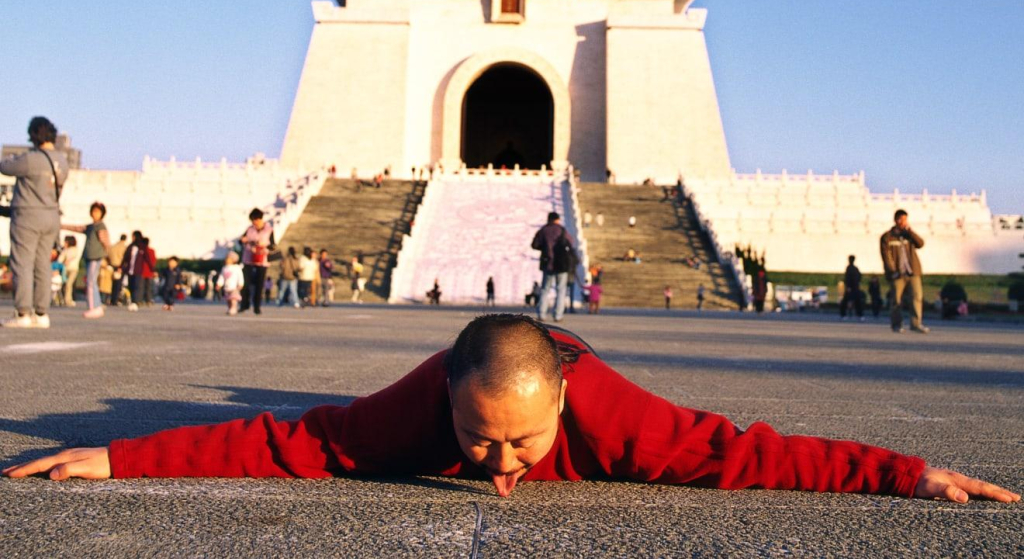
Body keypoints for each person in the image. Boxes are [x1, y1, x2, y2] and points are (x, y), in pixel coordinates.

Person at [5, 315, 1017, 510]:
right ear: (442, 396)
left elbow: (749, 453)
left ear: (564, 401)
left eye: (522, 441)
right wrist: (119, 457)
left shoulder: (618, 420)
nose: (498, 464)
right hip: (475, 355)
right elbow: (283, 439)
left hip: (550, 360)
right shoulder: (409, 412)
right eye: (477, 436)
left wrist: (906, 471)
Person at [0, 117, 70, 330]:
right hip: (51, 216)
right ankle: (42, 313)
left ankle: (23, 312)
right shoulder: (63, 161)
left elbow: (5, 167)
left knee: (22, 263)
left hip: (28, 216)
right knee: (42, 265)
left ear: (33, 135)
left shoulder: (31, 159)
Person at [880, 209, 928, 334]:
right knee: (896, 300)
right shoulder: (887, 237)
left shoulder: (908, 235)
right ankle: (896, 324)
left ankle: (916, 324)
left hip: (912, 272)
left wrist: (911, 232)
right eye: (901, 219)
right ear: (896, 220)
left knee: (917, 297)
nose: (903, 222)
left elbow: (920, 244)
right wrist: (892, 271)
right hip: (897, 274)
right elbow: (886, 256)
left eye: (905, 219)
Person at [61, 202, 111, 319]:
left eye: (97, 212)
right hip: (90, 256)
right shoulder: (91, 227)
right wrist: (61, 226)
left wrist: (105, 257)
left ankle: (93, 307)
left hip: (95, 257)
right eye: (93, 211)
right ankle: (97, 305)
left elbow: (106, 243)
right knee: (92, 281)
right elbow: (77, 228)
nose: (95, 214)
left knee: (90, 282)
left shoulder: (100, 227)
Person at [531, 212, 576, 323]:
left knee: (545, 289)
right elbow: (571, 242)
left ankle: (542, 314)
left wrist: (545, 247)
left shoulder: (543, 230)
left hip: (548, 264)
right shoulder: (562, 230)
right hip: (562, 265)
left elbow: (534, 245)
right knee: (561, 290)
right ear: (557, 219)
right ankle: (558, 315)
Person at [239, 209, 274, 315]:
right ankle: (244, 304)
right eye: (253, 220)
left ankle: (257, 306)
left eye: (256, 220)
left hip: (262, 260)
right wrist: (244, 241)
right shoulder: (249, 229)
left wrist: (264, 245)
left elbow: (273, 245)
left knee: (259, 285)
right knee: (246, 283)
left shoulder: (269, 230)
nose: (254, 223)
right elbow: (241, 241)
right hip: (248, 259)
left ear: (260, 219)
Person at [217, 252, 244, 316]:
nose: (226, 260)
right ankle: (229, 308)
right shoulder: (224, 268)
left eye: (228, 258)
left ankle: (233, 308)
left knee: (233, 299)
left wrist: (241, 283)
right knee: (228, 299)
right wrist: (219, 284)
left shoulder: (237, 268)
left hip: (234, 287)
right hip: (226, 287)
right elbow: (221, 277)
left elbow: (240, 276)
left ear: (233, 260)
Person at [840, 255, 864, 321]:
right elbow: (859, 277)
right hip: (855, 287)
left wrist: (848, 286)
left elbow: (848, 278)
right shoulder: (855, 268)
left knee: (847, 302)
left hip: (851, 288)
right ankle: (859, 315)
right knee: (856, 302)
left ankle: (844, 314)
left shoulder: (849, 268)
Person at [108, 233, 128, 307]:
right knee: (118, 284)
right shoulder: (124, 247)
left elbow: (108, 255)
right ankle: (116, 299)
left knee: (113, 284)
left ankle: (112, 299)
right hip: (120, 266)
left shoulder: (113, 246)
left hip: (112, 265)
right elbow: (125, 258)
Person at [60, 235, 81, 307]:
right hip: (65, 269)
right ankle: (65, 299)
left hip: (73, 269)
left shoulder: (75, 249)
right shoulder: (65, 250)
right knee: (65, 285)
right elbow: (60, 259)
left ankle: (68, 300)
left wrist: (67, 260)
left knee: (69, 284)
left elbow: (74, 256)